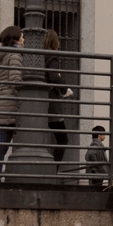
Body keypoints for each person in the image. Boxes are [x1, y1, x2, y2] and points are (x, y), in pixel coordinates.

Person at [0, 25, 23, 179]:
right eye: (22, 37)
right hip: (11, 105)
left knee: (1, 147)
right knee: (4, 147)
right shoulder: (15, 54)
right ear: (16, 39)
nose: (24, 39)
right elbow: (15, 80)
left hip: (3, 103)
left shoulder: (4, 55)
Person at [44, 28, 73, 165]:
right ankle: (54, 170)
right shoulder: (52, 57)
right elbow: (54, 76)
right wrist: (65, 88)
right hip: (52, 103)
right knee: (63, 139)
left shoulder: (40, 56)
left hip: (43, 101)